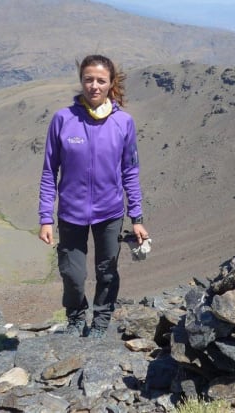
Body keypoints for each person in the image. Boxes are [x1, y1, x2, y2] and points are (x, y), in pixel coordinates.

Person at [38, 54, 149, 339]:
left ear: (111, 84)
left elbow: (130, 172)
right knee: (73, 275)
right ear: (81, 82)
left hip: (110, 212)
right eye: (89, 79)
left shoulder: (124, 122)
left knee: (107, 272)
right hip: (70, 213)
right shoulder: (63, 119)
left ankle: (101, 322)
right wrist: (45, 218)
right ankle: (76, 318)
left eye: (101, 80)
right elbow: (50, 171)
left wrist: (136, 217)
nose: (94, 86)